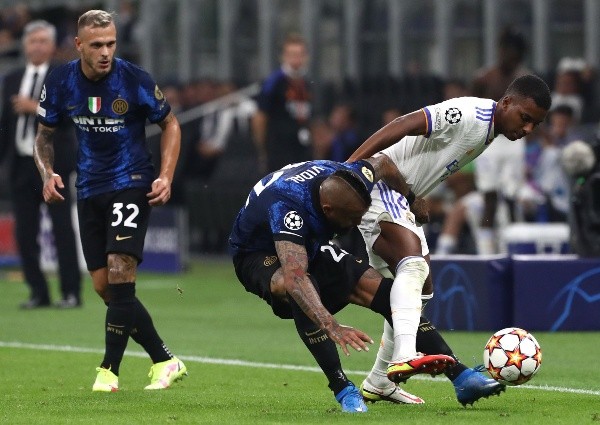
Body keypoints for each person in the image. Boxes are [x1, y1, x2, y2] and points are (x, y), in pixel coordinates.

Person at [347, 74, 551, 405]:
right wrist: (351, 168)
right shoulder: (470, 114)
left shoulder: (489, 133)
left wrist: (413, 196)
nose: (527, 129)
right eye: (525, 118)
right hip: (381, 186)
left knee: (420, 292)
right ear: (507, 102)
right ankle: (405, 355)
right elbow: (404, 124)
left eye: (535, 124)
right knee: (413, 267)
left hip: (401, 196)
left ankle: (380, 381)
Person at [33, 10, 186, 392]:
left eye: (111, 43)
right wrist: (47, 172)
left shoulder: (133, 79)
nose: (105, 52)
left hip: (131, 181)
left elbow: (170, 124)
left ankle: (108, 371)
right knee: (106, 287)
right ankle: (165, 360)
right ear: (79, 45)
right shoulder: (61, 81)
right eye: (97, 44)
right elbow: (43, 135)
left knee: (121, 269)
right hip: (88, 188)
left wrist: (165, 176)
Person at [229, 157, 455, 413]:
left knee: (386, 292)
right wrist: (331, 325)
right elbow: (295, 278)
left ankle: (460, 375)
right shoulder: (286, 207)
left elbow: (384, 164)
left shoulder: (352, 176)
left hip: (310, 244)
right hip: (257, 254)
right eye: (352, 217)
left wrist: (411, 198)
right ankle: (342, 387)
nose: (357, 223)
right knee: (297, 289)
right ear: (328, 209)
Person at [0, 20, 82, 309]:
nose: (37, 46)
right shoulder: (12, 78)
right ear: (25, 46)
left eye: (43, 41)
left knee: (62, 229)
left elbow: (71, 116)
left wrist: (34, 107)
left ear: (52, 46)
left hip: (53, 166)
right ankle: (38, 292)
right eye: (32, 41)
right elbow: (5, 124)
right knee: (25, 233)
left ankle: (71, 292)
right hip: (21, 164)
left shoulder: (64, 76)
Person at [471, 28, 531, 254]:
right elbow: (470, 108)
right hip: (489, 141)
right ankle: (485, 252)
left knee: (512, 197)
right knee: (490, 198)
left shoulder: (526, 80)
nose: (508, 56)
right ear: (501, 50)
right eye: (506, 50)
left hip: (515, 141)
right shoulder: (484, 79)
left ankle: (514, 249)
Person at [252, 33, 312, 174]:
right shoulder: (274, 83)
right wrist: (262, 150)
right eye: (292, 54)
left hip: (302, 148)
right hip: (279, 151)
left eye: (300, 55)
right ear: (284, 57)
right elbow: (259, 117)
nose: (296, 59)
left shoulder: (306, 83)